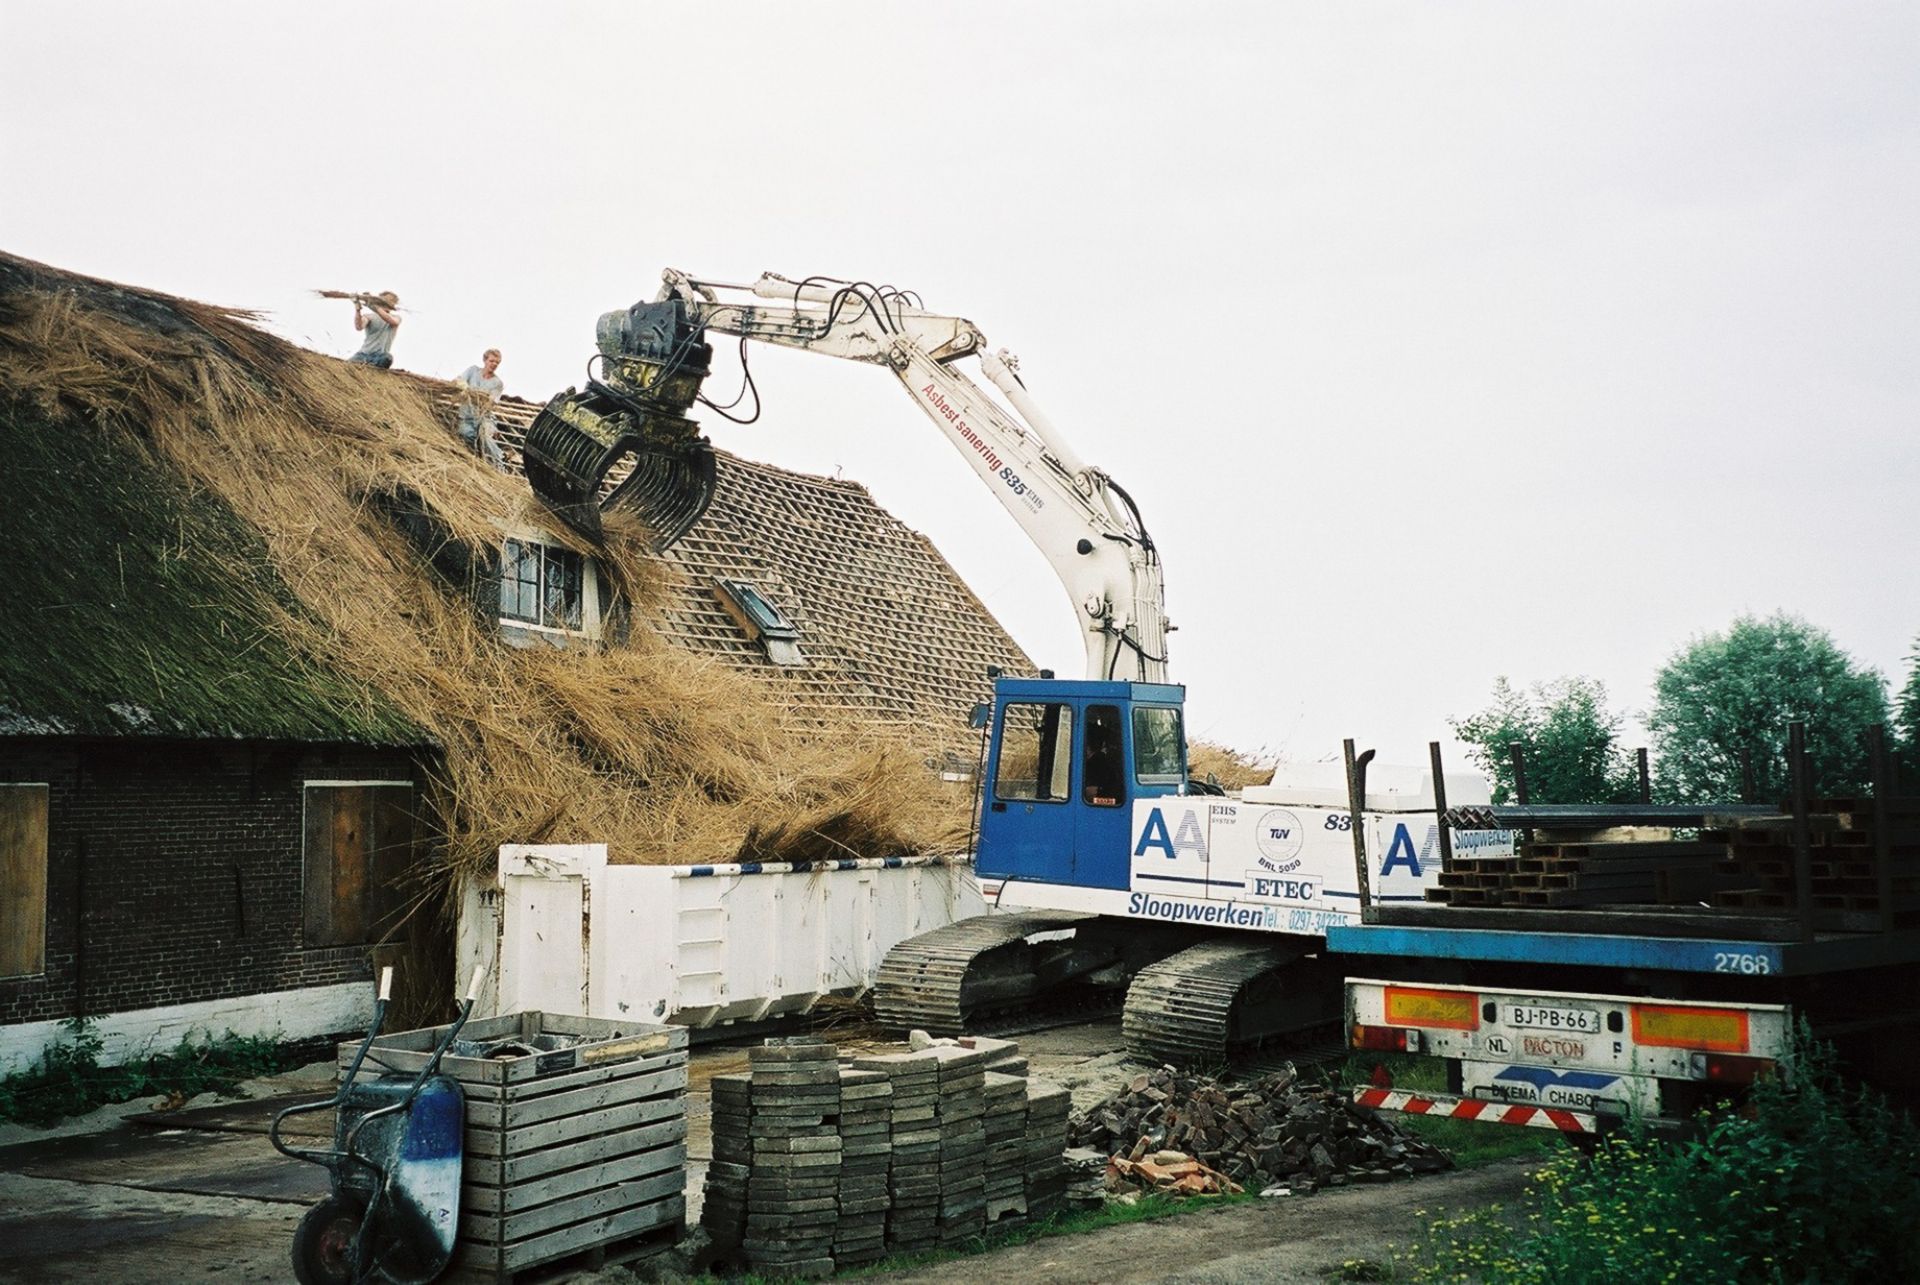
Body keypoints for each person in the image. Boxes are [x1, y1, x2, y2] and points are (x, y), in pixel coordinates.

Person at [456, 348, 507, 470]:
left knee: (486, 437)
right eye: (492, 361)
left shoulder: (497, 383)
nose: (494, 364)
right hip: (467, 416)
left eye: (497, 363)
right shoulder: (472, 371)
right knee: (466, 433)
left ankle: (499, 463)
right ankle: (475, 461)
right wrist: (464, 388)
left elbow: (490, 403)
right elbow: (459, 380)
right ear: (485, 360)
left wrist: (475, 396)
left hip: (484, 417)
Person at [348, 291, 401, 368]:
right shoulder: (369, 317)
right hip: (362, 354)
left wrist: (373, 306)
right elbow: (359, 326)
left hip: (379, 356)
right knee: (347, 366)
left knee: (388, 358)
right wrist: (357, 309)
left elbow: (391, 321)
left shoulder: (396, 318)